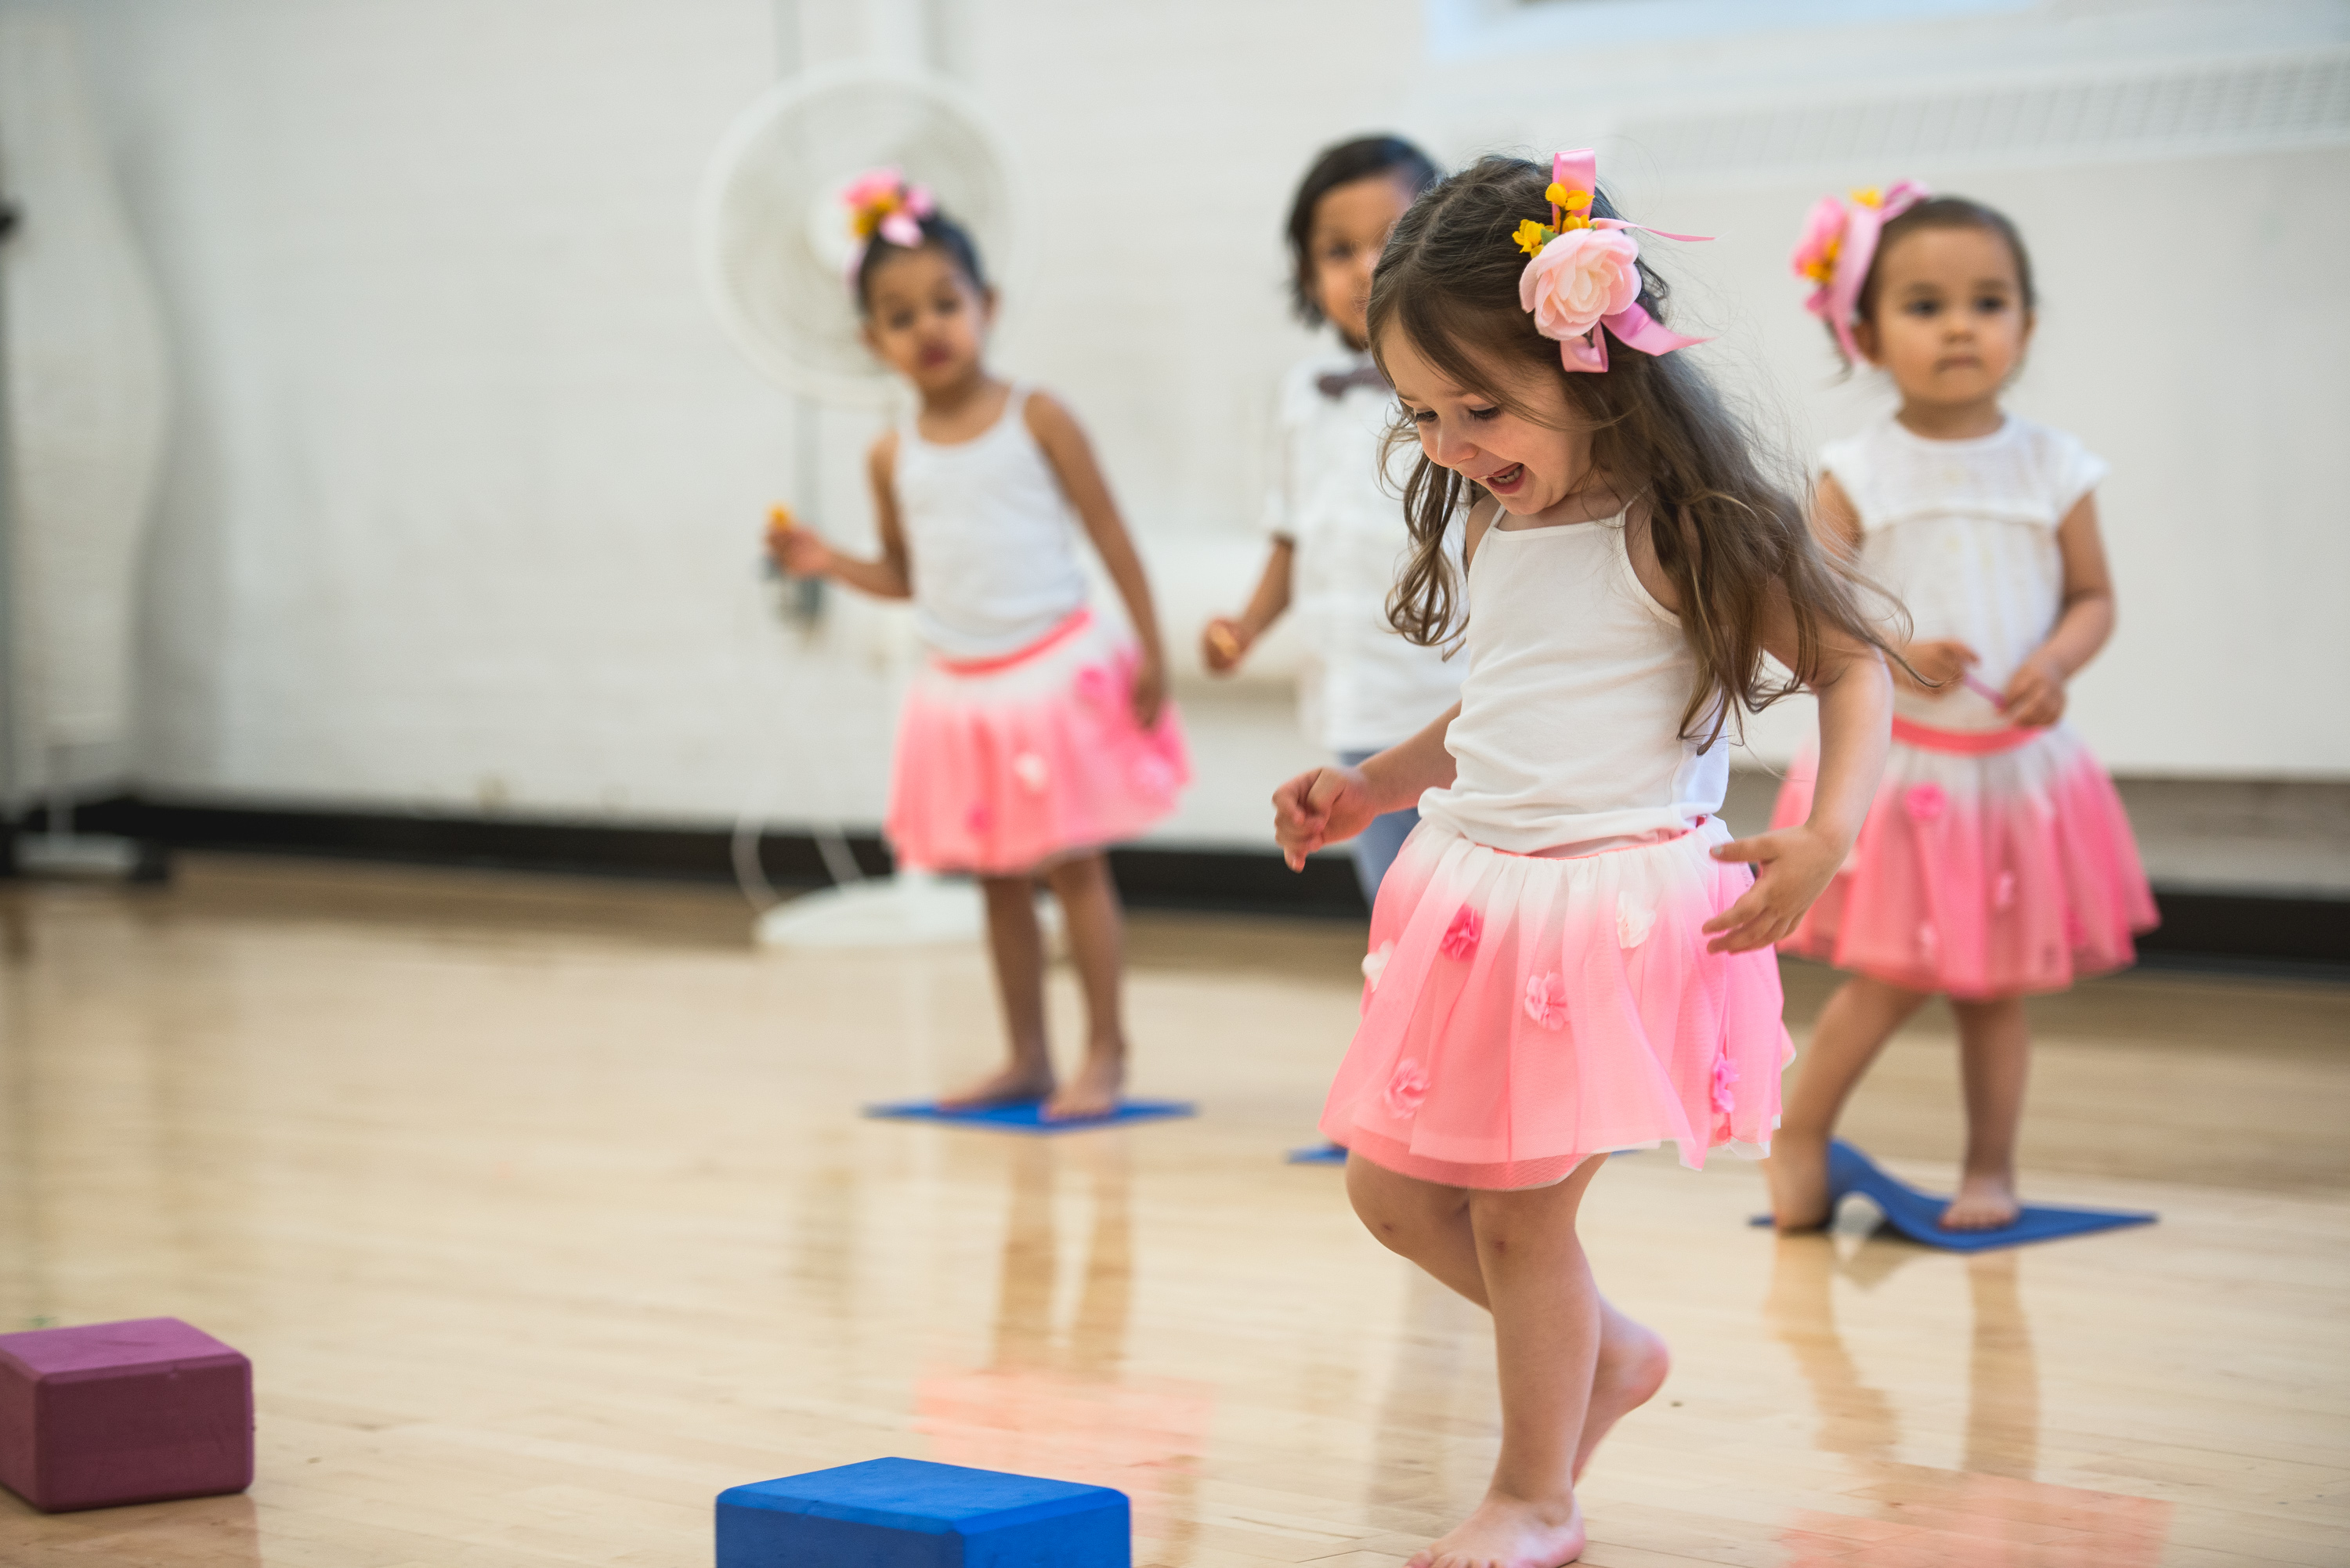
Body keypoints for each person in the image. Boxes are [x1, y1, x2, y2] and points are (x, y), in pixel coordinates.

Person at [1272, 152, 1895, 1568]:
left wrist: (1825, 828)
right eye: (1421, 412)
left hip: (1607, 917)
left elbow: (1855, 671)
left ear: (1596, 364)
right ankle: (1604, 1356)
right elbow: (1504, 705)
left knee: (1513, 1219)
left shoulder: (1683, 533)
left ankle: (1538, 1495)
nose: (1448, 442)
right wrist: (1372, 782)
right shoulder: (1505, 516)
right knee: (1391, 1195)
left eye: (1480, 407)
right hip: (1482, 895)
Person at [1766, 186, 2156, 1231]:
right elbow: (1814, 609)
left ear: (2025, 324)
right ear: (1864, 330)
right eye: (1926, 304)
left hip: (2016, 776)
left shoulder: (2054, 467)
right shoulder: (1855, 473)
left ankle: (1992, 1169)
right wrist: (1896, 651)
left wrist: (2059, 661)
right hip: (1902, 774)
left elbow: (2093, 596)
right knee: (1889, 980)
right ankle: (1798, 1135)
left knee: (1993, 989)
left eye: (1989, 302)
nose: (1960, 326)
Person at [773, 169, 1189, 1121]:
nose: (927, 327)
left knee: (1073, 865)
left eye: (944, 303)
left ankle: (1107, 1051)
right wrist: (826, 559)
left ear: (986, 305)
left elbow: (1112, 533)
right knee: (998, 881)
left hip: (1051, 673)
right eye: (898, 314)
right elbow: (909, 576)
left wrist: (1153, 648)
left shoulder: (1037, 416)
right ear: (871, 339)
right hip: (962, 690)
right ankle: (1026, 1056)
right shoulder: (891, 454)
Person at [1202, 135, 1458, 905]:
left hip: (1452, 689)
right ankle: (1411, 1017)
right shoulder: (1303, 394)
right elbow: (1293, 530)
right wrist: (1246, 625)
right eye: (1337, 250)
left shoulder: (1463, 384)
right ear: (1307, 276)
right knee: (1396, 896)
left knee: (1470, 893)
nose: (1364, 266)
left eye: (1391, 239)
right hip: (1360, 691)